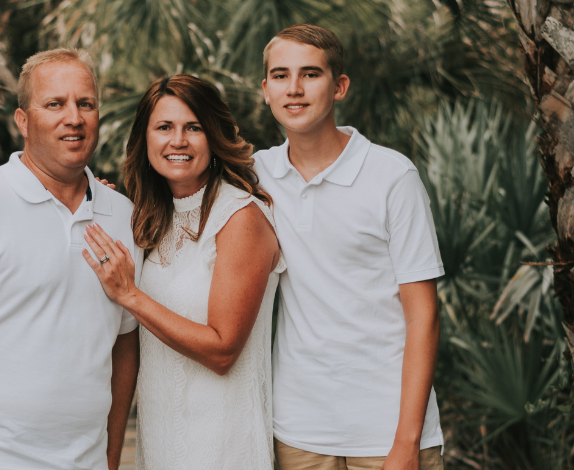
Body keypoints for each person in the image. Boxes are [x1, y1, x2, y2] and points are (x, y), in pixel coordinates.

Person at [0, 48, 141, 470]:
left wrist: (110, 459)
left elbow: (125, 347)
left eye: (85, 104)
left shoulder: (124, 216)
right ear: (23, 120)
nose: (73, 117)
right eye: (54, 104)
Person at [255, 24, 445, 470]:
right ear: (265, 90)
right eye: (280, 76)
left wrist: (406, 441)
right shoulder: (255, 173)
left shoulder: (392, 177)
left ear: (339, 86)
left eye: (310, 74)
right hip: (298, 431)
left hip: (387, 431)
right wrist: (97, 191)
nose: (294, 89)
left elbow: (425, 315)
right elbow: (181, 187)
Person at [81, 75, 284, 469]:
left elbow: (223, 349)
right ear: (146, 139)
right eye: (164, 127)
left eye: (194, 127)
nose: (178, 141)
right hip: (161, 444)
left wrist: (130, 296)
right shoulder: (150, 219)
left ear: (214, 136)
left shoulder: (239, 217)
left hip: (223, 447)